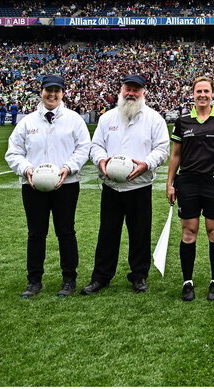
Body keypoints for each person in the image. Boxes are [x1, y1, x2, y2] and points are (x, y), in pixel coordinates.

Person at [82, 74, 170, 295]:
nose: (131, 93)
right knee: (107, 233)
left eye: (136, 90)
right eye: (127, 89)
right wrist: (101, 161)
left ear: (143, 93)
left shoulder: (154, 119)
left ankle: (139, 276)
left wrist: (146, 164)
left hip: (139, 186)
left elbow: (162, 149)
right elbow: (96, 146)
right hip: (111, 187)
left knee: (140, 234)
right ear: (121, 90)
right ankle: (101, 277)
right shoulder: (107, 118)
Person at [5, 75, 91, 298]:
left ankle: (69, 280)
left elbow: (83, 148)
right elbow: (13, 152)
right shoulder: (27, 121)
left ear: (63, 93)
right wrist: (26, 169)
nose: (52, 95)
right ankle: (34, 281)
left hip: (67, 184)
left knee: (66, 232)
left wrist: (68, 168)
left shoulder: (74, 119)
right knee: (36, 233)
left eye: (57, 91)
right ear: (41, 92)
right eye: (48, 90)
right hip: (33, 186)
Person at [165, 77, 214, 301]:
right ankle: (188, 282)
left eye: (206, 91)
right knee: (189, 232)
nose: (202, 95)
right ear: (193, 94)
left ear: (212, 94)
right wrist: (169, 183)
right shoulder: (183, 120)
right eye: (199, 91)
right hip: (187, 183)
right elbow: (175, 154)